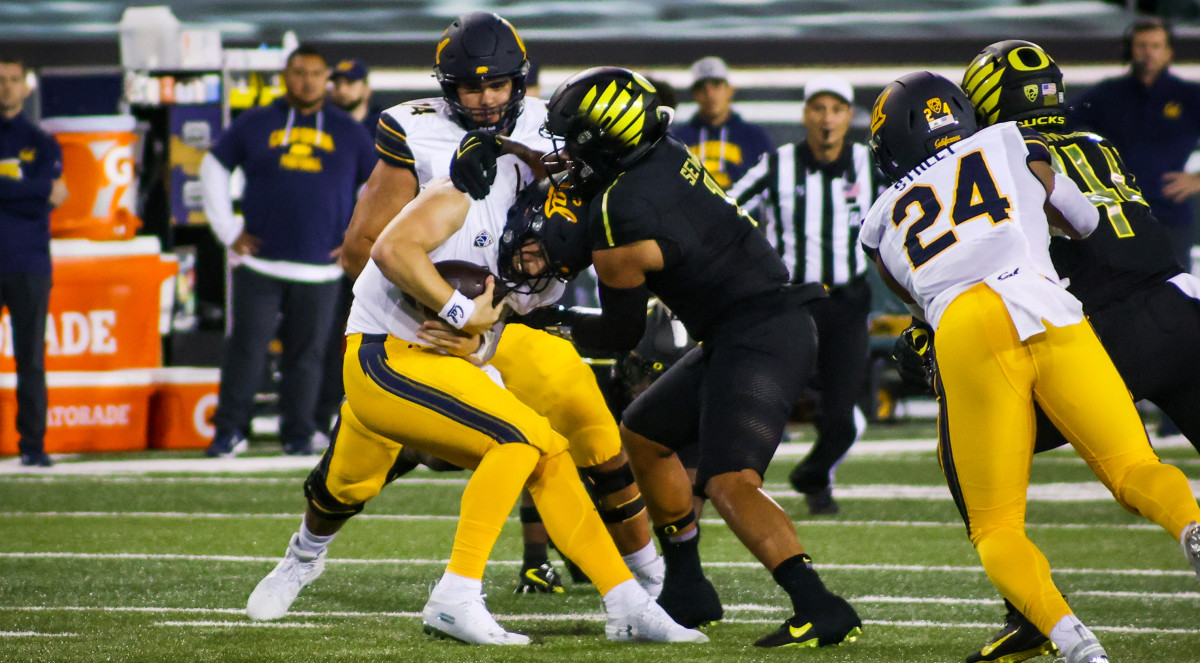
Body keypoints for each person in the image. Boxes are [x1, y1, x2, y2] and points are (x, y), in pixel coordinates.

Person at [245, 167, 706, 645]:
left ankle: (626, 602)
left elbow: (495, 331)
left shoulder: (543, 278)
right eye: (537, 255)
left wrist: (478, 342)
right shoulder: (462, 200)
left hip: (444, 366)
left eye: (553, 267)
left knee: (545, 450)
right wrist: (459, 310)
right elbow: (387, 250)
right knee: (345, 484)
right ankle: (339, 569)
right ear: (524, 226)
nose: (535, 271)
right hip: (384, 352)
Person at [865, 70, 1200, 663]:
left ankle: (1075, 643)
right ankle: (1190, 525)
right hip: (1049, 306)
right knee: (1133, 469)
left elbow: (915, 300)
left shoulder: (877, 220)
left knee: (995, 525)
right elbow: (1086, 222)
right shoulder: (1015, 143)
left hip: (968, 326)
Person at [336, 11, 665, 597]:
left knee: (593, 434)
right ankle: (307, 553)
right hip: (425, 327)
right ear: (447, 87)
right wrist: (442, 312)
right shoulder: (414, 130)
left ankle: (654, 579)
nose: (486, 98)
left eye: (497, 84)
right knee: (353, 477)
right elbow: (362, 250)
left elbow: (614, 207)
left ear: (521, 80)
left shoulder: (558, 121)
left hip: (521, 318)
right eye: (471, 86)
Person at [532, 66, 862, 648]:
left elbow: (617, 334)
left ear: (609, 139)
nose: (572, 155)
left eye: (580, 140)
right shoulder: (667, 152)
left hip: (758, 332)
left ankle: (818, 604)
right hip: (757, 322)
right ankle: (686, 585)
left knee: (730, 482)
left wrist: (552, 320)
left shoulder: (617, 213)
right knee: (644, 434)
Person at [199, 44, 376, 457]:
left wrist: (355, 238)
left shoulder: (349, 130)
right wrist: (227, 230)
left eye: (316, 73)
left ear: (326, 78)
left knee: (308, 357)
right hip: (259, 263)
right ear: (285, 75)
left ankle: (299, 433)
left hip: (321, 268)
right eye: (298, 72)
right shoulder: (255, 122)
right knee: (246, 349)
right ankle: (229, 432)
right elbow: (212, 167)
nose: (307, 80)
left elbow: (377, 187)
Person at [728, 73, 878, 515]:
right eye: (818, 109)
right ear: (805, 115)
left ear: (849, 117)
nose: (827, 120)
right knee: (759, 398)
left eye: (835, 110)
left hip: (849, 302)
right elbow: (728, 210)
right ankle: (726, 481)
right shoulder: (778, 165)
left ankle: (814, 476)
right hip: (793, 304)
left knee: (844, 417)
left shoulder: (870, 166)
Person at [1068, 17, 1200, 273]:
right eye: (1142, 46)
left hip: (1169, 215)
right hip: (1119, 216)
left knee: (1177, 294)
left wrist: (1197, 179)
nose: (1148, 53)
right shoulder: (1108, 95)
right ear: (1130, 50)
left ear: (1169, 51)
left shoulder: (1189, 96)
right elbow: (1062, 121)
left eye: (1156, 46)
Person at [0, 57, 66, 468]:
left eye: (12, 80)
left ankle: (33, 445)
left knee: (32, 360)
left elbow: (57, 194)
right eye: (0, 80)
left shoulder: (42, 141)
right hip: (24, 252)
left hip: (29, 264)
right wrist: (28, 190)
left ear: (27, 87)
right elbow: (45, 192)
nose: (6, 87)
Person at [314, 57, 382, 449]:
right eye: (336, 82)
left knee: (372, 335)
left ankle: (369, 414)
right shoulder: (322, 127)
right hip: (326, 254)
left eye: (350, 82)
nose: (342, 89)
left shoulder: (385, 129)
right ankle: (323, 415)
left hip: (370, 252)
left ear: (365, 88)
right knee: (327, 339)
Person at [672, 56, 773, 189]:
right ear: (694, 94)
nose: (710, 94)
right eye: (702, 88)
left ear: (730, 90)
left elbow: (771, 182)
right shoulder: (678, 139)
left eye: (716, 86)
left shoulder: (754, 137)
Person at [328, 58, 381, 136]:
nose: (342, 90)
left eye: (350, 82)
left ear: (367, 90)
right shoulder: (322, 125)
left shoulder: (382, 128)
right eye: (337, 84)